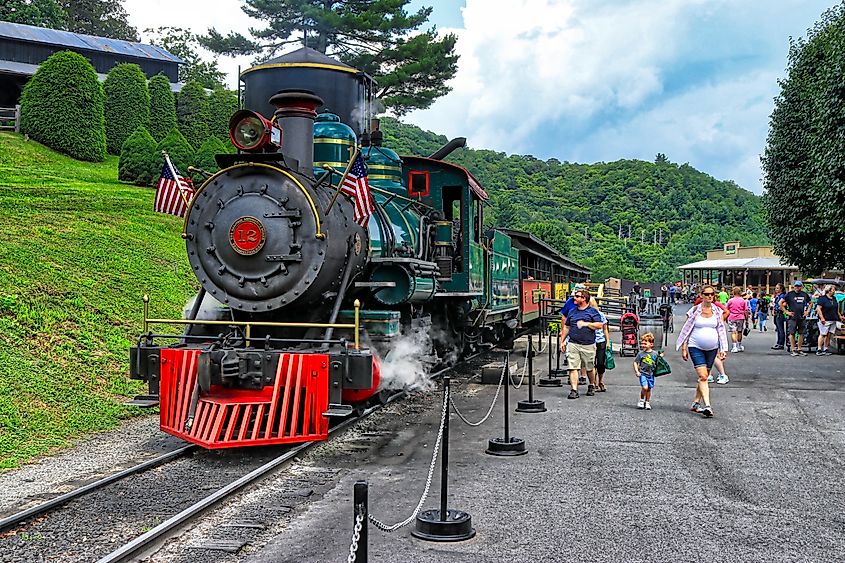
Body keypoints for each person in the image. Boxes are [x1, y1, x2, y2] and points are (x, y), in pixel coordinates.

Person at [676, 285, 729, 418]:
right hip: (695, 347)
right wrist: (684, 347)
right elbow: (686, 329)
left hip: (712, 348)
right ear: (701, 295)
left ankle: (695, 403)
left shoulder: (717, 311)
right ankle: (707, 406)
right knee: (704, 376)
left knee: (703, 377)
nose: (710, 296)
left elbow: (721, 330)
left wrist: (724, 348)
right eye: (707, 294)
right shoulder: (695, 310)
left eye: (712, 294)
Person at [560, 288, 604, 399]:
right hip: (573, 343)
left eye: (577, 296)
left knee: (589, 367)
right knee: (573, 367)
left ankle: (591, 384)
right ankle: (574, 390)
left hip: (588, 344)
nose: (574, 298)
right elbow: (567, 326)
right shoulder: (572, 311)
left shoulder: (593, 312)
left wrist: (586, 324)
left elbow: (599, 325)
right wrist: (562, 341)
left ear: (584, 298)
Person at [781, 280, 811, 357]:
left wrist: (807, 311)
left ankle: (799, 349)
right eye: (796, 286)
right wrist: (786, 312)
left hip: (801, 316)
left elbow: (811, 302)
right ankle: (793, 349)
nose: (797, 288)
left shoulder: (804, 294)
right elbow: (780, 302)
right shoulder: (790, 294)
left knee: (801, 333)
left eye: (799, 286)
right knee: (792, 333)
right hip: (792, 317)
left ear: (801, 287)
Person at [633, 333, 662, 410]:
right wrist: (637, 371)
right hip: (643, 373)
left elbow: (659, 362)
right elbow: (635, 362)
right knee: (645, 387)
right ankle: (642, 400)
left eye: (645, 343)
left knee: (649, 388)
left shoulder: (655, 354)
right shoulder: (641, 354)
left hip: (651, 374)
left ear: (651, 344)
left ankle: (647, 402)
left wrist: (661, 357)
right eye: (642, 343)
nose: (643, 345)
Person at [590, 298, 610, 392]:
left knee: (600, 363)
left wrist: (608, 341)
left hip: (600, 341)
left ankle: (600, 381)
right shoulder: (585, 315)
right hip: (590, 341)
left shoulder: (600, 315)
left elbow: (605, 329)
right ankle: (593, 383)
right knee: (592, 364)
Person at [816, 284, 842, 355]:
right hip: (825, 319)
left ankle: (825, 348)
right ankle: (819, 349)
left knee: (829, 334)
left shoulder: (834, 298)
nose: (834, 291)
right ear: (829, 291)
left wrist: (839, 316)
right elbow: (818, 309)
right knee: (823, 334)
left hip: (833, 319)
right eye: (833, 290)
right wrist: (822, 318)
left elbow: (836, 309)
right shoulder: (822, 299)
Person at [726, 286, 749, 353]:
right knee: (739, 331)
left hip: (732, 317)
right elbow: (746, 311)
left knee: (733, 332)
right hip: (740, 317)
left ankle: (734, 346)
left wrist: (726, 318)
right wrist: (746, 319)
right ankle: (739, 345)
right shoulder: (743, 301)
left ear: (733, 292)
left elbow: (726, 309)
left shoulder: (730, 300)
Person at [771, 283, 787, 350]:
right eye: (776, 288)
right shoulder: (778, 296)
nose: (776, 289)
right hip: (777, 312)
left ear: (781, 289)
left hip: (780, 313)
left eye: (777, 288)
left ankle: (781, 343)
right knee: (778, 328)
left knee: (780, 329)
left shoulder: (783, 296)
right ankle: (778, 343)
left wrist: (780, 307)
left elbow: (784, 303)